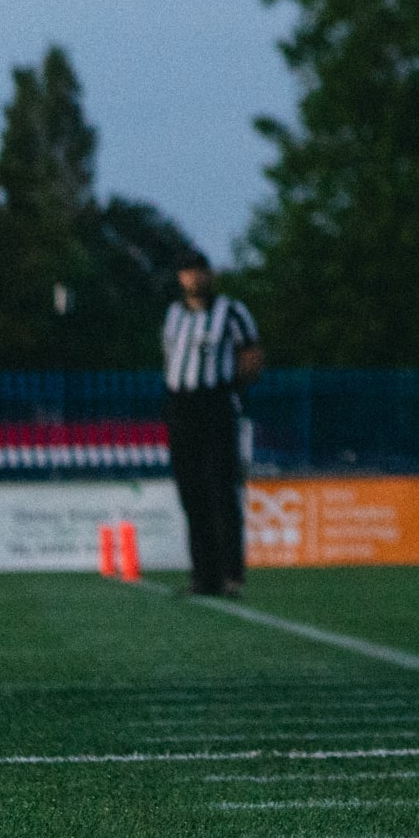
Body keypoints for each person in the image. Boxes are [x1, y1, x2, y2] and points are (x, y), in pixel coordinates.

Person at [159, 253, 261, 599]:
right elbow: (169, 355)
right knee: (191, 492)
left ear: (209, 275)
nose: (193, 279)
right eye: (187, 272)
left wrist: (231, 391)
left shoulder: (231, 311)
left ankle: (231, 574)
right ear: (180, 278)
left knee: (220, 488)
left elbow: (250, 355)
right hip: (182, 406)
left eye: (198, 272)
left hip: (215, 403)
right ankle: (203, 575)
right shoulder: (174, 314)